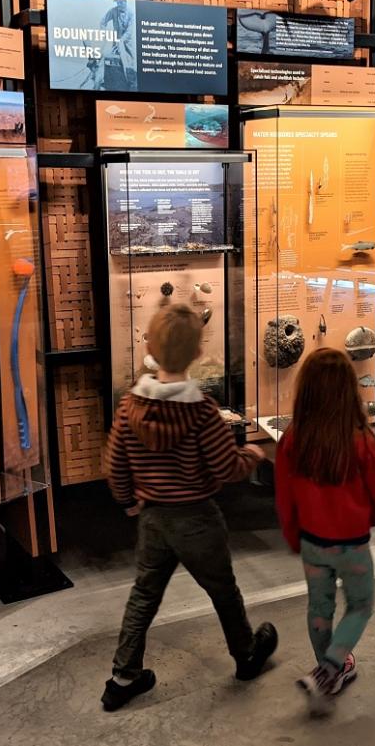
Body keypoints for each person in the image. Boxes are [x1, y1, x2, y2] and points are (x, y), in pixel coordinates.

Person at [101, 304, 277, 712]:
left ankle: (122, 678)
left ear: (149, 346)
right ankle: (246, 654)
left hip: (153, 519)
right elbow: (226, 467)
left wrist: (128, 501)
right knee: (222, 591)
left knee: (144, 594)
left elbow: (115, 463)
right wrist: (251, 454)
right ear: (198, 352)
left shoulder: (129, 405)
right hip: (197, 518)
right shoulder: (201, 411)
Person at [275, 348, 375, 714]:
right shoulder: (361, 441)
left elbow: (284, 497)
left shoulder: (292, 439)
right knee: (361, 605)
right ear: (348, 391)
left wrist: (292, 534)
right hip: (351, 547)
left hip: (312, 545)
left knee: (319, 609)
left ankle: (329, 667)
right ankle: (331, 667)